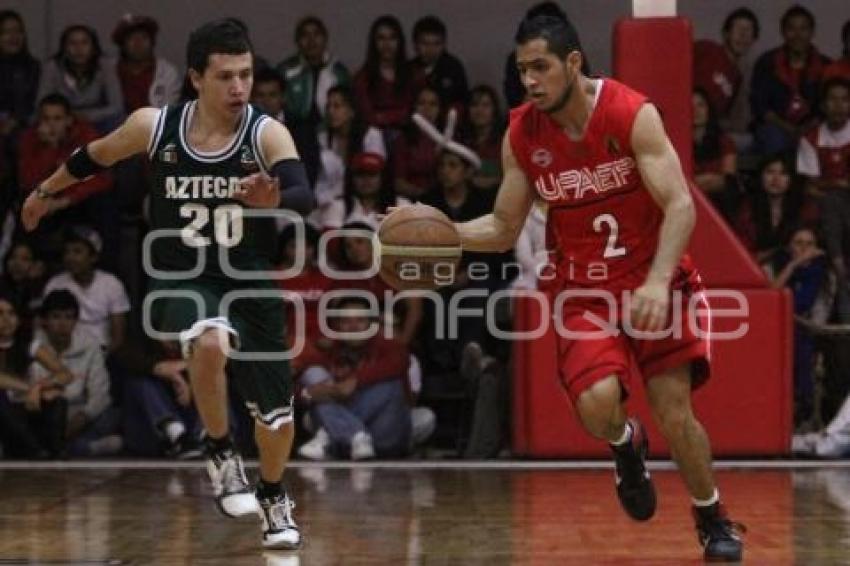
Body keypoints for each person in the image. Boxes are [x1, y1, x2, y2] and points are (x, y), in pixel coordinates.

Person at [440, 15, 744, 560]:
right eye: (522, 70)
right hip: (585, 291)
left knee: (674, 411)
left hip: (657, 280)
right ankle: (625, 446)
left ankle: (712, 517)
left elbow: (679, 205)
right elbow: (505, 227)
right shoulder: (521, 135)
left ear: (573, 62)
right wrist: (443, 233)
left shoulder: (631, 113)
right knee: (597, 405)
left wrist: (655, 283)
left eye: (540, 67)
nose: (529, 81)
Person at [21, 19, 314, 549]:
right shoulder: (155, 126)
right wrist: (45, 191)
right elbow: (95, 156)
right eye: (226, 76)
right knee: (208, 339)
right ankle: (221, 451)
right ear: (196, 78)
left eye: (245, 75)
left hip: (248, 281)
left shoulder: (265, 131)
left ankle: (273, 493)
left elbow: (303, 192)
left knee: (276, 417)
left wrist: (276, 200)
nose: (239, 88)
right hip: (182, 273)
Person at [750, 5, 831, 155]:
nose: (798, 35)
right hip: (774, 127)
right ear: (783, 32)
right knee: (775, 139)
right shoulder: (767, 62)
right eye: (791, 29)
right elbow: (759, 106)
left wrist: (806, 128)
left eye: (803, 29)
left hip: (814, 127)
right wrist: (789, 129)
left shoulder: (826, 65)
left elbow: (828, 107)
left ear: (812, 32)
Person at [42, 226, 130, 353]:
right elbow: (45, 326)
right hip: (64, 352)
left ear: (93, 257)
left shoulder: (112, 284)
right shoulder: (55, 284)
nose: (70, 257)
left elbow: (118, 337)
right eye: (67, 252)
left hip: (103, 351)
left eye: (77, 252)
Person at [37, 25, 124, 133]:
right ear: (64, 48)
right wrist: (65, 117)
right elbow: (41, 104)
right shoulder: (53, 67)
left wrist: (85, 116)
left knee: (118, 121)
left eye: (84, 43)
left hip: (97, 120)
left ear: (93, 47)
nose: (79, 49)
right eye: (73, 43)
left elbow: (116, 106)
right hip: (62, 120)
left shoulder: (105, 65)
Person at [276, 16, 350, 127]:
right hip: (292, 130)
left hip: (330, 130)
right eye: (305, 35)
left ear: (325, 38)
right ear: (297, 41)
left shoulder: (338, 72)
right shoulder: (286, 70)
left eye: (316, 34)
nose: (311, 41)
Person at [692, 7, 758, 121]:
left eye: (748, 31)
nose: (742, 36)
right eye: (738, 29)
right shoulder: (707, 49)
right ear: (726, 33)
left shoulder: (737, 78)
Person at [112, 14, 181, 112]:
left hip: (153, 124)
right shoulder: (112, 70)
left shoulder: (167, 72)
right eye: (131, 38)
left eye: (143, 37)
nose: (138, 43)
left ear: (152, 42)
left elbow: (169, 110)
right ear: (123, 45)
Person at [408, 16, 469, 114]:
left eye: (436, 44)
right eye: (425, 43)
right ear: (415, 45)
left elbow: (463, 102)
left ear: (444, 44)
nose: (430, 49)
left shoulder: (453, 68)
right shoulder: (408, 69)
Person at [0, 10, 41, 141]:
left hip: (23, 125)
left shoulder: (33, 67)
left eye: (18, 31)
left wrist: (15, 120)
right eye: (6, 32)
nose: (13, 37)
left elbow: (35, 104)